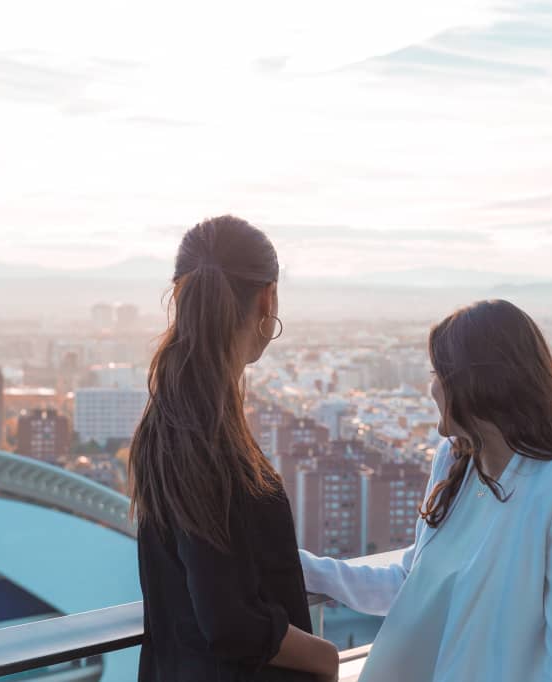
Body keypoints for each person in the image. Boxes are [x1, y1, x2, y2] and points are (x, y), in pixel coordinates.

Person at [301, 299, 552, 681]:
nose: (431, 388)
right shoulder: (455, 462)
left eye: (438, 373)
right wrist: (302, 568)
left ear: (474, 383)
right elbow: (410, 586)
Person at [130, 216, 339, 682]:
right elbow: (229, 621)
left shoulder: (171, 417)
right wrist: (325, 658)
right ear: (268, 299)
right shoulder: (203, 435)